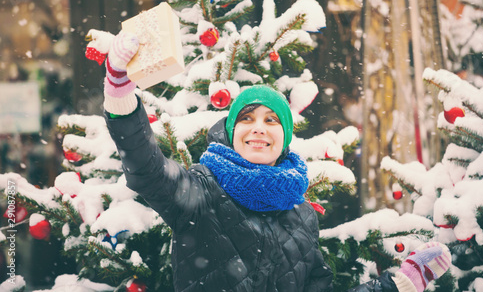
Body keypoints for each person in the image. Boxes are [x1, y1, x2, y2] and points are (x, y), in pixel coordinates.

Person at [92, 31, 451, 291]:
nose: (258, 128)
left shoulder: (301, 215)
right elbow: (147, 169)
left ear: (284, 139)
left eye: (271, 120)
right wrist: (119, 88)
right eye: (246, 119)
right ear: (231, 133)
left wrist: (401, 282)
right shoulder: (201, 192)